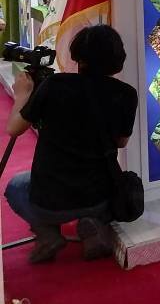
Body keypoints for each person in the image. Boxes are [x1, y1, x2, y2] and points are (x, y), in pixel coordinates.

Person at [5, 25, 139, 263]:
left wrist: (23, 96)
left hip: (49, 200)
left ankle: (48, 233)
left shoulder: (54, 85)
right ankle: (92, 224)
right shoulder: (126, 94)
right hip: (100, 198)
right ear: (118, 60)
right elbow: (121, 142)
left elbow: (14, 128)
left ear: (79, 57)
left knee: (15, 187)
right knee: (110, 185)